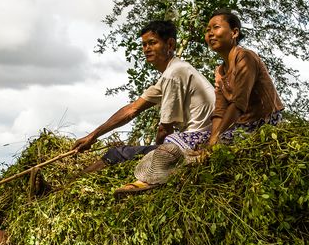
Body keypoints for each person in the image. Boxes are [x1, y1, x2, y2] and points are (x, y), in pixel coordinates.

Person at [72, 20, 216, 181]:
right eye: (144, 44)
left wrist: (154, 156)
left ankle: (67, 186)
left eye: (152, 43)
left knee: (114, 154)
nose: (146, 49)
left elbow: (165, 129)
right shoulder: (173, 71)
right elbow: (132, 110)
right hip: (197, 138)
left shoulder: (174, 74)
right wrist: (92, 136)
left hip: (196, 141)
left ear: (170, 44)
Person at [204, 9, 284, 147]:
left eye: (216, 27)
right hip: (240, 125)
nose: (210, 33)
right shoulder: (220, 71)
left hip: (263, 124)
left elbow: (238, 102)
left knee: (219, 144)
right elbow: (220, 110)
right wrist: (213, 137)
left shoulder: (245, 57)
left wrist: (217, 137)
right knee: (191, 141)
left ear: (234, 33)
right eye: (207, 30)